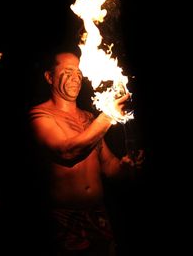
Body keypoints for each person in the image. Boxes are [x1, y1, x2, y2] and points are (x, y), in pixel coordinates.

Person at [27, 48, 144, 255]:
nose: (76, 78)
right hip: (64, 219)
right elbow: (68, 153)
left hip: (99, 215)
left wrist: (125, 166)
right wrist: (109, 115)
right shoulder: (40, 116)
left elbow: (108, 167)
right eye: (68, 71)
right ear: (49, 77)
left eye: (79, 73)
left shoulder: (89, 118)